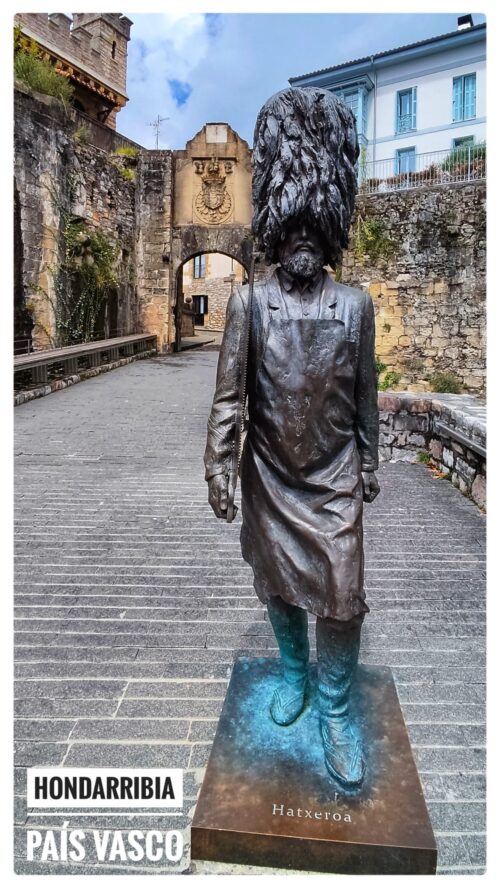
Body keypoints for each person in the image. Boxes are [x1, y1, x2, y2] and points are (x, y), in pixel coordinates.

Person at [204, 87, 380, 788]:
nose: (303, 242)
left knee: (343, 592)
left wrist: (370, 459)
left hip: (334, 476)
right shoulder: (248, 303)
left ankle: (334, 708)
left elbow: (365, 394)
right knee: (276, 584)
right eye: (293, 231)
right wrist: (218, 466)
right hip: (270, 474)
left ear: (329, 232)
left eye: (315, 231)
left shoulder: (356, 306)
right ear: (277, 231)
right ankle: (295, 674)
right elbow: (229, 396)